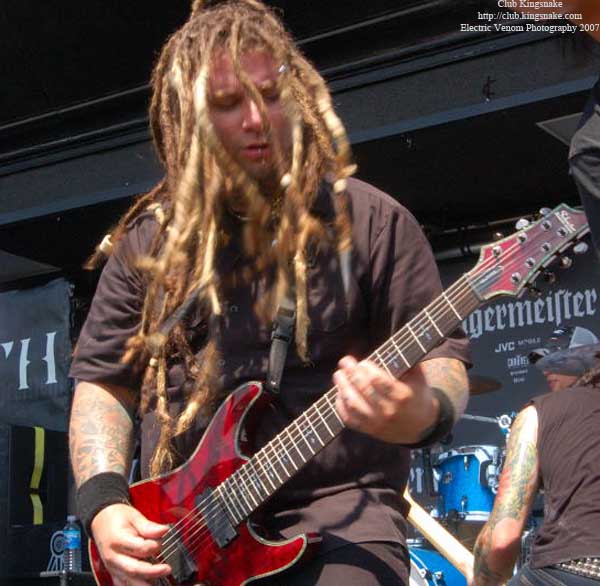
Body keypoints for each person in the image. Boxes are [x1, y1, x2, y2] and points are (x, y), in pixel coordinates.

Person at [68, 1, 471, 585]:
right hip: (184, 541)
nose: (256, 120)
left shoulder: (371, 221)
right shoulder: (149, 244)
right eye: (229, 105)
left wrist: (421, 412)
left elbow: (444, 362)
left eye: (269, 94)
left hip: (340, 521)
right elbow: (104, 383)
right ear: (189, 120)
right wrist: (105, 504)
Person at [470, 326, 600, 585]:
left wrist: (484, 580)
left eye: (560, 361)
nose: (547, 370)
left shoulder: (538, 414)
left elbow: (501, 539)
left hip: (577, 569)